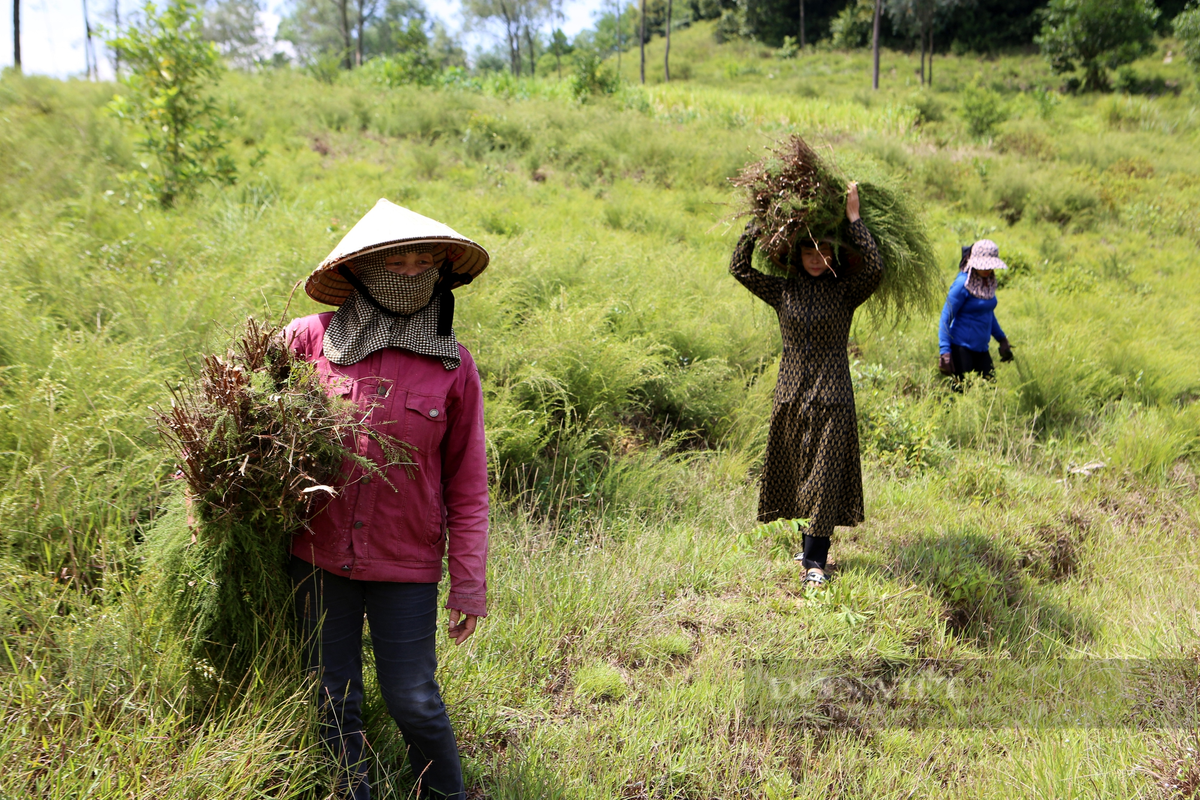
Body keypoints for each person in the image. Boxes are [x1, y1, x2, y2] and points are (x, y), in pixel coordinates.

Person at [284, 199, 490, 800]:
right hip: (317, 558)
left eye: (424, 260)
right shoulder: (308, 340)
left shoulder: (454, 367)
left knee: (414, 699)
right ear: (362, 269)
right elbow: (243, 422)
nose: (410, 270)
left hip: (405, 562)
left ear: (443, 273)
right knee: (331, 697)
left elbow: (468, 486)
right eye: (395, 259)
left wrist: (468, 584)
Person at [730, 183, 883, 588]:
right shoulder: (782, 291)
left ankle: (815, 561)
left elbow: (875, 269)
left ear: (834, 257)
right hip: (791, 393)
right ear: (797, 256)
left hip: (833, 394)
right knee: (800, 470)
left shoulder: (845, 292)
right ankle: (807, 545)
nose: (817, 259)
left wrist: (855, 221)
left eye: (824, 252)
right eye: (809, 252)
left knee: (825, 473)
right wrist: (760, 222)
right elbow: (739, 268)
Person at [937, 239, 1013, 380]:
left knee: (989, 392)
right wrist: (945, 352)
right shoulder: (962, 284)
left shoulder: (988, 281)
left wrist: (1001, 339)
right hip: (961, 348)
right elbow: (945, 318)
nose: (987, 270)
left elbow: (988, 313)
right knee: (962, 395)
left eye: (990, 266)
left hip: (982, 349)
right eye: (983, 266)